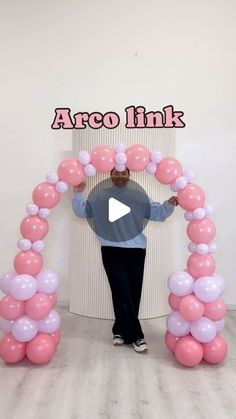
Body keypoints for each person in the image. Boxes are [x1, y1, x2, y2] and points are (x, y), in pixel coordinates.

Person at [72, 167, 178, 353]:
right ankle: (137, 336)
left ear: (129, 175)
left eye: (123, 173)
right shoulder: (100, 196)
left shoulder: (138, 196)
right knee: (120, 289)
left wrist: (169, 204)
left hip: (136, 250)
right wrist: (78, 192)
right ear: (110, 174)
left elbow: (158, 214)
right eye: (116, 173)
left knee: (132, 292)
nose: (119, 176)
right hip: (111, 250)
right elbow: (82, 212)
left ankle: (119, 330)